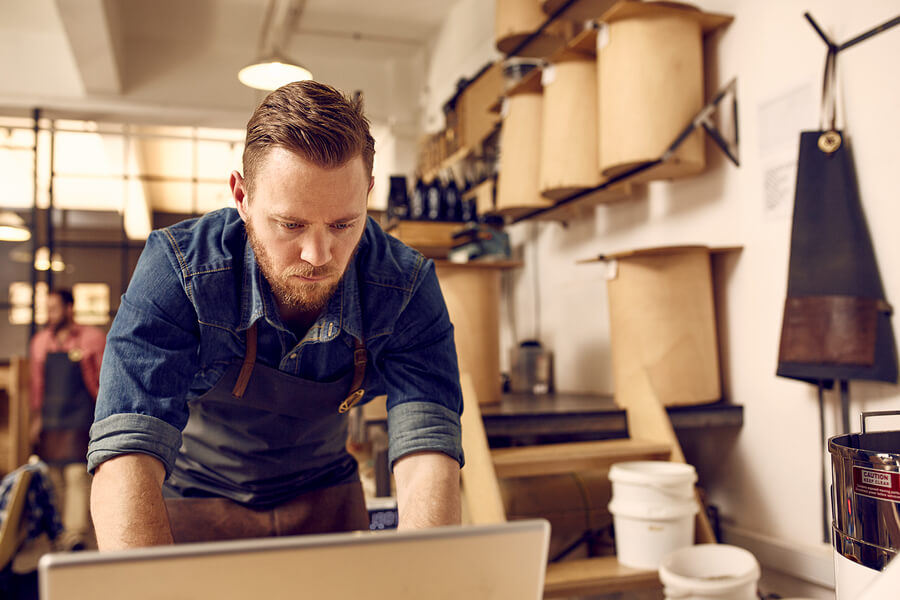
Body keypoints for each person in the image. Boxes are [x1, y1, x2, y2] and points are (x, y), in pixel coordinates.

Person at [88, 81, 465, 550]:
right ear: (241, 196)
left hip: (328, 504)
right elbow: (127, 452)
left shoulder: (405, 288)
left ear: (368, 193)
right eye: (291, 224)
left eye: (344, 224)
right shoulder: (178, 273)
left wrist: (424, 583)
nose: (318, 253)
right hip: (194, 502)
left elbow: (428, 452)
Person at [29, 288, 106, 550]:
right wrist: (36, 418)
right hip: (51, 418)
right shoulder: (40, 342)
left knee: (76, 475)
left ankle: (75, 535)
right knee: (54, 477)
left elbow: (102, 382)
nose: (49, 314)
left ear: (69, 308)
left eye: (54, 309)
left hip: (81, 416)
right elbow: (38, 384)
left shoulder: (93, 338)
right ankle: (59, 534)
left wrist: (103, 417)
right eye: (46, 309)